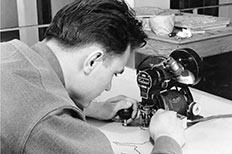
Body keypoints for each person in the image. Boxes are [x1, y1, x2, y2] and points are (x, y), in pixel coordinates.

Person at [1, 0, 185, 154]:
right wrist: (167, 139)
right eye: (114, 73)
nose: (108, 88)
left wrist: (90, 109)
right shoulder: (48, 122)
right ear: (92, 61)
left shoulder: (9, 50)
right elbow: (39, 117)